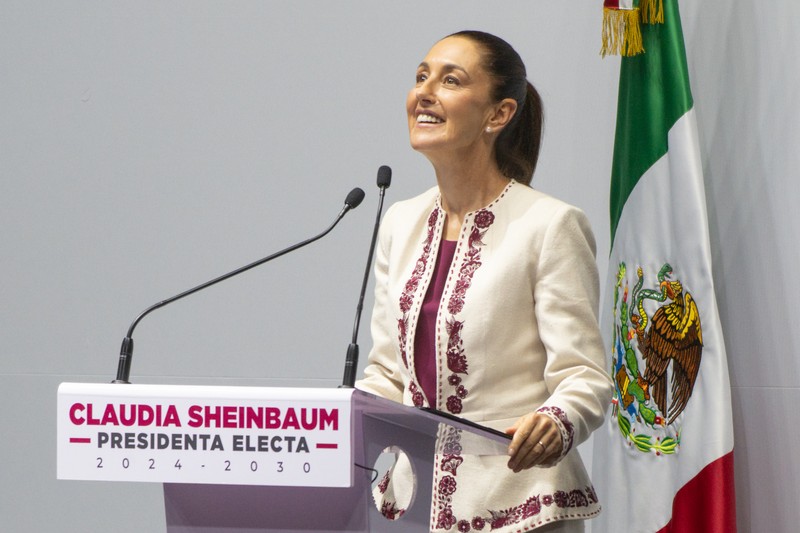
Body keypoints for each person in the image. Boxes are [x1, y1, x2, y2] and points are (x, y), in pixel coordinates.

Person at [356, 30, 614, 533]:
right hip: (410, 505)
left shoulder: (550, 225)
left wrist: (558, 421)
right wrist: (330, 432)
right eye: (420, 77)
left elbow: (584, 376)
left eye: (450, 80)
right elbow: (388, 372)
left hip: (522, 506)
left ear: (499, 114)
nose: (425, 92)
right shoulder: (399, 222)